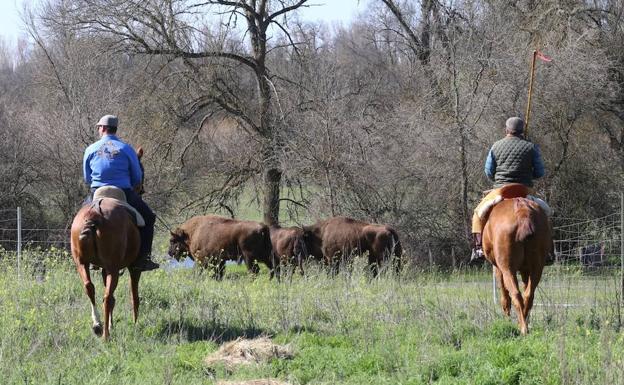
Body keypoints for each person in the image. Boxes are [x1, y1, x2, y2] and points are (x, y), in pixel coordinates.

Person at [83, 114, 159, 271]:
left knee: (80, 219)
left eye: (99, 127)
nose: (98, 129)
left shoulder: (91, 149)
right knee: (149, 218)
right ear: (114, 129)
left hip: (97, 192)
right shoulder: (126, 149)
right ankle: (143, 259)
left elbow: (87, 176)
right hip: (123, 192)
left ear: (103, 128)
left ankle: (86, 255)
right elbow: (137, 176)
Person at [471, 117, 545, 261]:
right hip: (525, 190)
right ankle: (548, 249)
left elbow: (488, 171)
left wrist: (498, 178)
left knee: (477, 215)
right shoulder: (531, 147)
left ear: (506, 130)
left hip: (501, 190)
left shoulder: (496, 146)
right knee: (546, 212)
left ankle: (479, 249)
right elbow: (540, 172)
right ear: (522, 130)